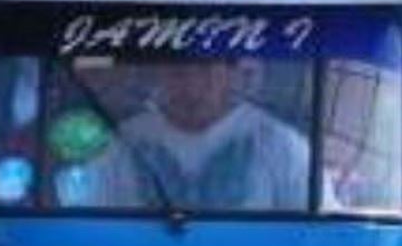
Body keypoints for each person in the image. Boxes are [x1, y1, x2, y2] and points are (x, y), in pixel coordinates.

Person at [89, 60, 309, 211]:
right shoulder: (123, 143)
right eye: (178, 72)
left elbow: (316, 233)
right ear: (159, 74)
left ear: (228, 73)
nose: (192, 88)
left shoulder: (281, 144)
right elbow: (90, 231)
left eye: (205, 70)